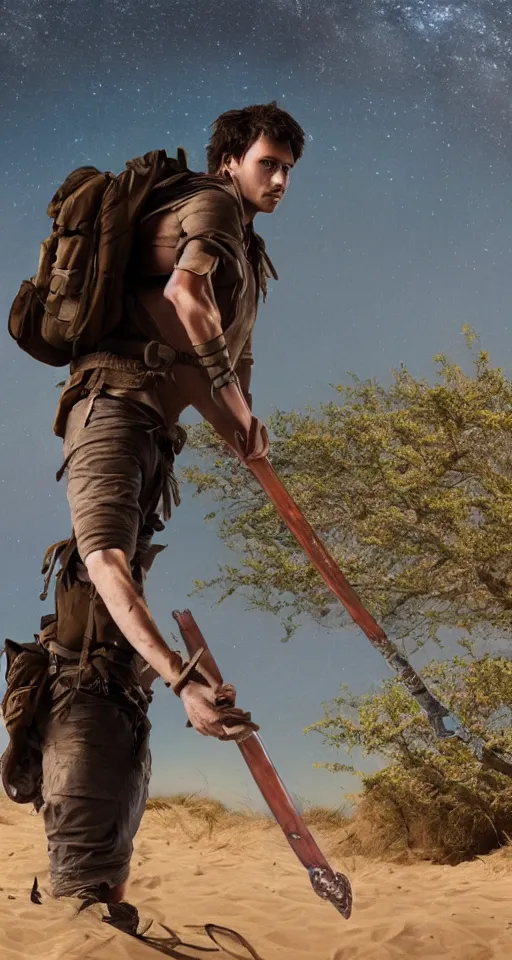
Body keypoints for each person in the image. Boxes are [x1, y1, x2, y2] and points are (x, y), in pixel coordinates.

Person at [28, 101, 306, 903]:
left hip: (156, 435)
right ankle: (77, 895)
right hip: (112, 406)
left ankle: (90, 885)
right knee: (101, 575)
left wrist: (243, 431)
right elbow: (188, 297)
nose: (281, 180)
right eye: (268, 163)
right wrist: (187, 682)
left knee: (110, 650)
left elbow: (229, 359)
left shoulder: (249, 260)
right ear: (229, 162)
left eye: (289, 168)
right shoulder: (214, 206)